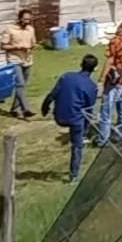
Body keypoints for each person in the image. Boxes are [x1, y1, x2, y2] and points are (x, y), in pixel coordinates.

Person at [41, 54, 99, 182]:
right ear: (94, 69)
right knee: (77, 146)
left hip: (59, 116)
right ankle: (74, 175)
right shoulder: (91, 86)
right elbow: (89, 109)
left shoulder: (66, 76)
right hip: (75, 119)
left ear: (81, 65)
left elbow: (52, 94)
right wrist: (86, 128)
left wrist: (45, 108)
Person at [0, 9, 37, 119]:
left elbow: (33, 43)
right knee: (20, 84)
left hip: (28, 60)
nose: (27, 21)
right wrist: (17, 47)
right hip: (14, 60)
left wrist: (33, 47)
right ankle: (26, 109)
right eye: (25, 19)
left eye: (29, 19)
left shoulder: (30, 29)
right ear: (20, 18)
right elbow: (3, 46)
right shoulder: (10, 29)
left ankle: (14, 109)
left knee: (22, 86)